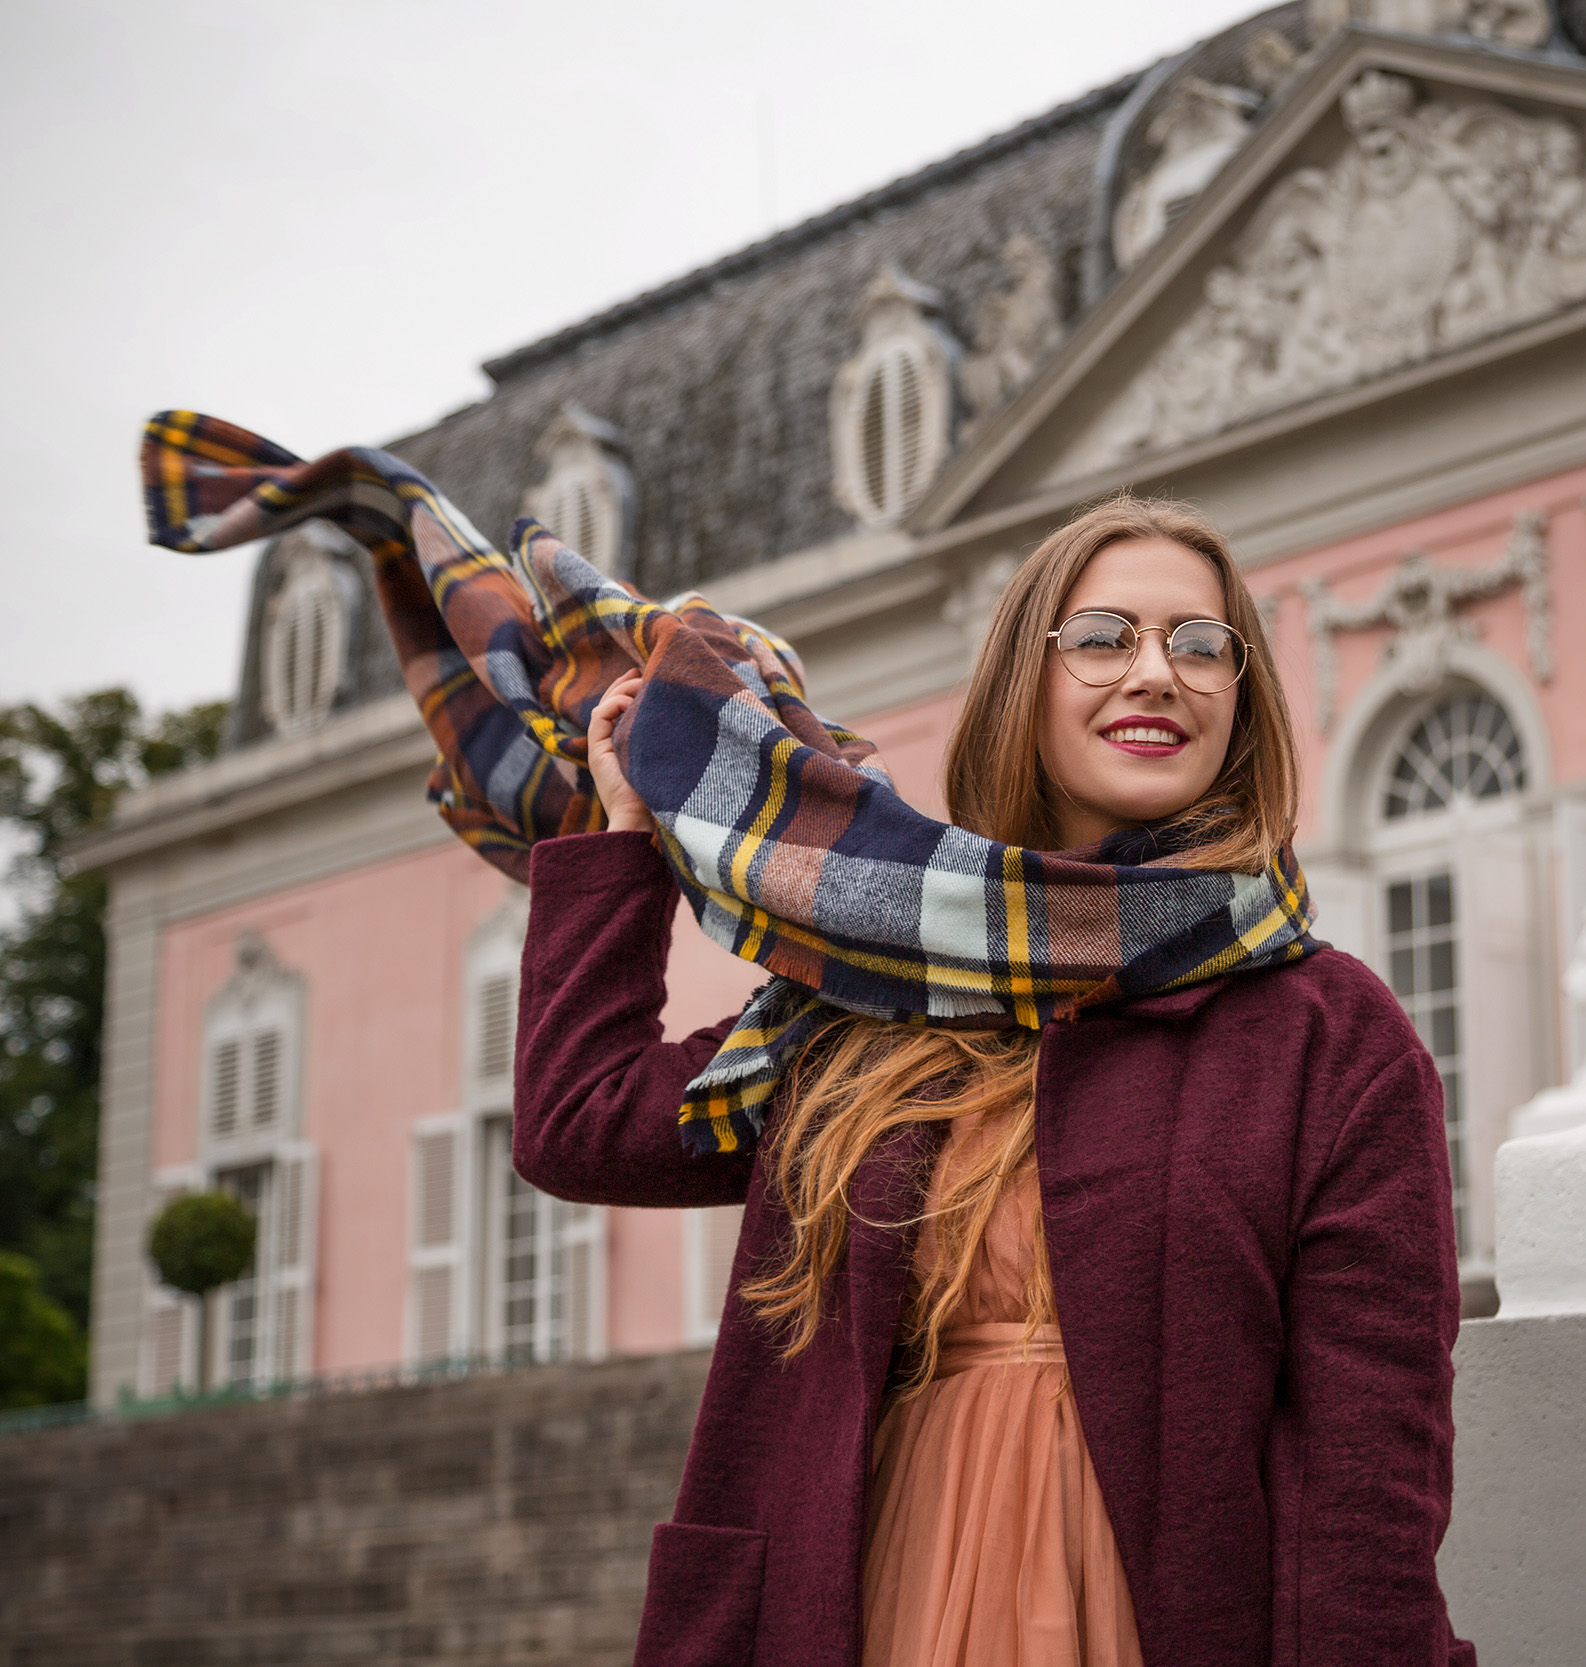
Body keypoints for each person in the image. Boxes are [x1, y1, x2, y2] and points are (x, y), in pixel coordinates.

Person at [511, 497, 1476, 1667]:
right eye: (1106, 637)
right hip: (862, 1598)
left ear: (1242, 699)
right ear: (1028, 677)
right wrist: (623, 836)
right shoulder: (878, 988)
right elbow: (577, 1126)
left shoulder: (1328, 1031)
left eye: (1201, 643)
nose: (1157, 673)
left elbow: (1372, 1466)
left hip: (1157, 1612)